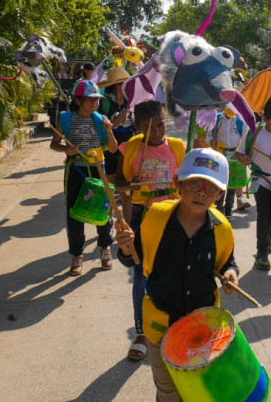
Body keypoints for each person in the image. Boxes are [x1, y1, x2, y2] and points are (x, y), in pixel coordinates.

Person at [116, 147, 240, 402]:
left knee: (200, 390)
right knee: (169, 391)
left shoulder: (222, 229)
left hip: (203, 330)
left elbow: (228, 262)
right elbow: (132, 258)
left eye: (211, 188)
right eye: (194, 183)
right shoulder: (156, 217)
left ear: (220, 194)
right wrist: (126, 247)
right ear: (178, 184)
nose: (201, 193)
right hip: (161, 324)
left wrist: (230, 275)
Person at [112, 100, 186, 362]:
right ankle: (141, 333)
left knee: (175, 271)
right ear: (138, 127)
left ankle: (175, 326)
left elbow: (186, 181)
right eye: (148, 127)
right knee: (140, 273)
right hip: (141, 214)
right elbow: (118, 179)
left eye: (160, 124)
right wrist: (131, 183)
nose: (155, 131)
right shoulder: (131, 147)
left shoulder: (177, 146)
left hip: (172, 213)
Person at [49, 80, 118, 276]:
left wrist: (109, 130)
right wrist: (66, 149)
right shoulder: (65, 119)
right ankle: (77, 256)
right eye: (90, 100)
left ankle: (105, 249)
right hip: (76, 171)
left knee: (103, 212)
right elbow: (54, 144)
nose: (95, 103)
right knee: (74, 214)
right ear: (78, 101)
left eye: (97, 99)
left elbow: (113, 149)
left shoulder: (101, 119)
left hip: (98, 170)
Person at [234, 98, 271, 271]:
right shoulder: (254, 132)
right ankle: (261, 253)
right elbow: (239, 154)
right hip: (260, 179)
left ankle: (268, 238)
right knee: (264, 216)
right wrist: (244, 160)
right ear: (264, 118)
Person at [211, 106, 250, 216]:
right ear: (224, 106)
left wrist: (241, 153)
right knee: (221, 182)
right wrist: (211, 141)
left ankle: (229, 210)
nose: (232, 109)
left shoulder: (241, 121)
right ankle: (219, 207)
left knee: (233, 184)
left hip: (235, 157)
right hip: (220, 155)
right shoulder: (217, 119)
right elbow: (210, 135)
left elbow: (245, 138)